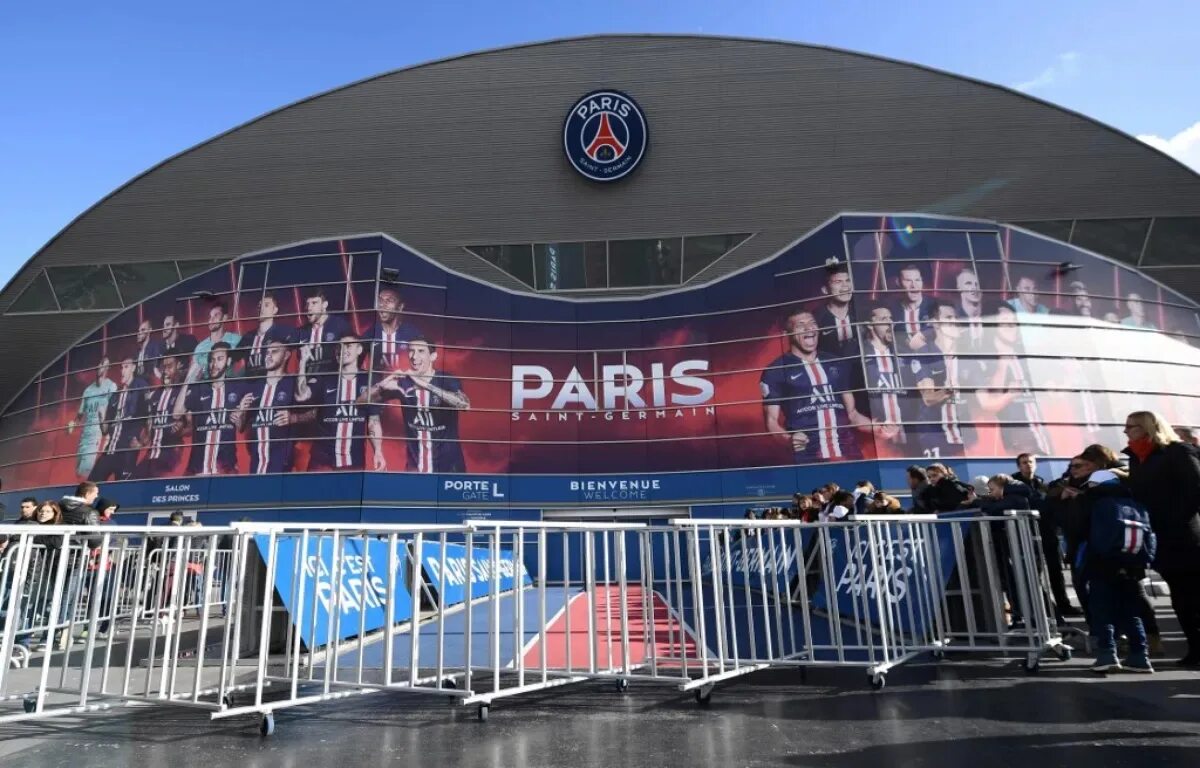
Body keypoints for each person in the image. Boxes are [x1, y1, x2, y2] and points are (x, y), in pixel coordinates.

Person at [1122, 410, 1200, 667]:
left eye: (1131, 427)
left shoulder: (1177, 452)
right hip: (1159, 537)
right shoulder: (1136, 458)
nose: (1126, 431)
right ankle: (1195, 648)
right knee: (1180, 595)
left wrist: (1174, 519)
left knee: (1192, 592)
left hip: (1186, 535)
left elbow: (1195, 491)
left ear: (1147, 428)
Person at [761, 308, 883, 462]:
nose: (808, 328)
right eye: (800, 325)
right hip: (809, 456)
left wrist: (878, 427)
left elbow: (852, 415)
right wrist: (788, 439)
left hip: (849, 453)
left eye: (812, 323)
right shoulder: (775, 371)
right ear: (788, 334)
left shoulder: (837, 364)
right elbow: (771, 422)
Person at [1076, 469, 1155, 673]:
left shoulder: (1096, 503)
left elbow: (1079, 529)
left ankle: (1107, 654)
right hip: (1133, 566)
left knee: (1102, 611)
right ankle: (1140, 656)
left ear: (1097, 485)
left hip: (1103, 564)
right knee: (1132, 612)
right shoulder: (1136, 503)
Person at [362, 337, 469, 473]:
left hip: (450, 468)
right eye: (411, 351)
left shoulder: (447, 380)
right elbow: (362, 401)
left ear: (433, 356)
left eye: (420, 351)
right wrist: (384, 383)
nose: (414, 356)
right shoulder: (403, 383)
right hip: (415, 468)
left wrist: (425, 385)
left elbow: (464, 405)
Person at [297, 334, 385, 471]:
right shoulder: (325, 378)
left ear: (359, 350)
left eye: (348, 346)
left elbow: (373, 421)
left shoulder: (369, 380)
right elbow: (301, 396)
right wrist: (302, 364)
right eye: (339, 347)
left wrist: (378, 451)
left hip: (353, 461)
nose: (342, 350)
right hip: (322, 460)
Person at [975, 303, 1052, 456]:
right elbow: (991, 399)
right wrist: (1003, 362)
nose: (1011, 326)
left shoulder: (1024, 355)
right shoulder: (983, 359)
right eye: (1005, 322)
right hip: (1017, 439)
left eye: (1014, 322)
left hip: (1042, 433)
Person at [909, 302, 983, 459]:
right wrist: (955, 389)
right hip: (935, 433)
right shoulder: (925, 353)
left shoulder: (967, 354)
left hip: (966, 433)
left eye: (956, 317)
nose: (955, 321)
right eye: (949, 318)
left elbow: (983, 396)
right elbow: (929, 398)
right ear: (935, 323)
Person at [1013, 453, 1079, 618]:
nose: (1028, 465)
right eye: (1024, 462)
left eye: (1030, 462)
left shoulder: (1042, 483)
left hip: (1047, 531)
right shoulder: (1014, 484)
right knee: (1034, 572)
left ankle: (1063, 605)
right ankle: (1044, 608)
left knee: (1055, 570)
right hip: (1027, 533)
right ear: (1018, 466)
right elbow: (1035, 503)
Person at [232, 339, 311, 475]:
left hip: (283, 466)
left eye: (274, 352)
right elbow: (240, 427)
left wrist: (294, 418)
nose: (268, 355)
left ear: (286, 355)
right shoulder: (254, 386)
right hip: (256, 465)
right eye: (267, 352)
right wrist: (242, 410)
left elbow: (314, 413)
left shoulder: (292, 382)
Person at [174, 342, 242, 476]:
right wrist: (189, 379)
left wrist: (240, 416)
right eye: (212, 360)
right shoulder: (199, 388)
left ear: (228, 361)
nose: (214, 364)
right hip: (197, 469)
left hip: (225, 469)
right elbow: (177, 413)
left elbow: (241, 426)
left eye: (219, 359)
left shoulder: (237, 387)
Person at [89, 358, 148, 482]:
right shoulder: (116, 395)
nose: (122, 370)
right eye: (121, 367)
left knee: (122, 492)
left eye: (126, 367)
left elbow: (148, 416)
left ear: (133, 368)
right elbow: (105, 430)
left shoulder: (140, 386)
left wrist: (142, 443)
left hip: (126, 454)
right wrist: (101, 417)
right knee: (90, 485)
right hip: (110, 451)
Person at [861, 306, 907, 447]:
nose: (890, 322)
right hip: (878, 439)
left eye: (891, 318)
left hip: (909, 435)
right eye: (883, 319)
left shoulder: (902, 351)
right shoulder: (859, 354)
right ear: (870, 325)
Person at [136, 354, 186, 479]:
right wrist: (141, 442)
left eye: (169, 367)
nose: (165, 371)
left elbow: (191, 427)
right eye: (163, 367)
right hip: (150, 455)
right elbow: (148, 432)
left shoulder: (182, 394)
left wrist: (180, 430)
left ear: (178, 367)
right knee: (132, 484)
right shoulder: (153, 395)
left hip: (170, 455)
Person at [67, 357, 117, 480]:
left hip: (98, 437)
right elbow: (80, 415)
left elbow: (114, 411)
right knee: (79, 473)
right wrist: (73, 424)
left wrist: (107, 434)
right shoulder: (88, 391)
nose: (101, 367)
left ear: (108, 368)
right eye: (100, 364)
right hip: (84, 437)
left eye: (105, 365)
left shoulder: (111, 387)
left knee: (86, 474)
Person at [234, 292, 295, 379]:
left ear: (275, 310)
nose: (261, 309)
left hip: (273, 383)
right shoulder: (248, 337)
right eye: (259, 306)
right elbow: (232, 358)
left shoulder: (284, 332)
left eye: (266, 305)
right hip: (249, 385)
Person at [299, 288, 352, 375]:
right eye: (307, 303)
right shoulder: (302, 331)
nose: (309, 308)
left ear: (325, 305)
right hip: (307, 380)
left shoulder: (339, 325)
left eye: (314, 303)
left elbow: (355, 349)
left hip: (332, 379)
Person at [370, 286, 422, 372]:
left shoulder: (413, 334)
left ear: (400, 307)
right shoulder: (370, 334)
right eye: (380, 300)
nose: (382, 304)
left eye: (389, 300)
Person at [814, 262, 857, 360]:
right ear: (825, 290)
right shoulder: (816, 320)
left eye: (848, 280)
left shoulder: (860, 313)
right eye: (838, 282)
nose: (845, 286)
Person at [191, 303, 242, 380]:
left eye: (216, 315)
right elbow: (192, 376)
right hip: (207, 388)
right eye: (210, 317)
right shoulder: (200, 347)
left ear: (224, 318)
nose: (211, 320)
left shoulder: (236, 339)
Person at [892, 263, 935, 352]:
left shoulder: (934, 306)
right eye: (908, 280)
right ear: (898, 282)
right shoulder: (892, 311)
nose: (914, 285)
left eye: (917, 280)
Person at [954, 268, 986, 351]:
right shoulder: (954, 319)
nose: (974, 288)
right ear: (958, 287)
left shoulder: (991, 315)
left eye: (976, 284)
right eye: (968, 283)